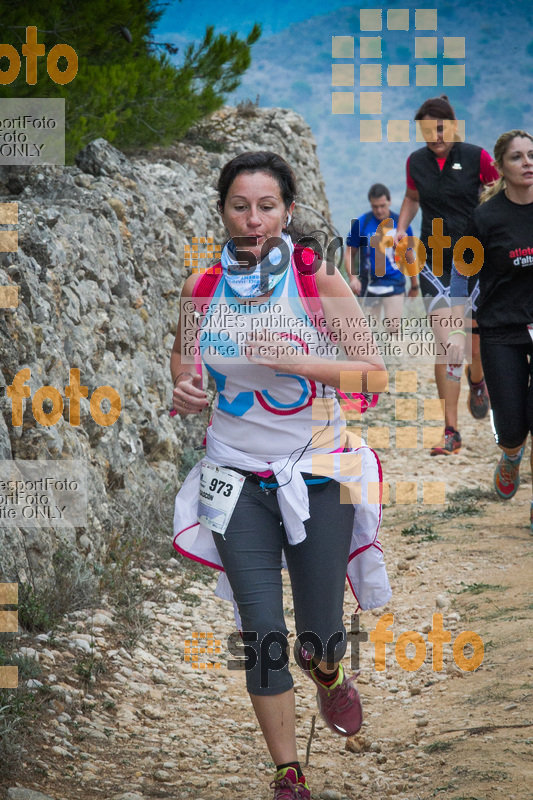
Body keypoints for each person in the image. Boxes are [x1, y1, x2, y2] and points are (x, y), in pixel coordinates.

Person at [170, 151, 391, 799]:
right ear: (223, 213)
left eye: (267, 206)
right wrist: (184, 389)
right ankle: (287, 770)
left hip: (321, 471)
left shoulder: (317, 281)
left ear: (288, 211)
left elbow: (373, 376)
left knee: (321, 629)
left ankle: (326, 671)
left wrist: (303, 361)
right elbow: (184, 364)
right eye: (240, 206)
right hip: (233, 477)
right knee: (260, 628)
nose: (254, 219)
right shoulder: (199, 290)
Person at [394, 94, 498, 455]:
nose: (435, 137)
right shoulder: (416, 163)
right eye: (427, 131)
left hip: (476, 258)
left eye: (440, 129)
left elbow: (499, 192)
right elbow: (411, 196)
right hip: (434, 262)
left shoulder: (477, 157)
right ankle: (450, 430)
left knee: (475, 339)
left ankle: (478, 379)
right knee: (447, 342)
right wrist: (401, 228)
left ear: (452, 126)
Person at [448, 130, 533, 531]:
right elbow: (464, 271)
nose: (528, 163)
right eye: (517, 157)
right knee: (513, 424)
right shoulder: (486, 217)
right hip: (500, 329)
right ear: (500, 167)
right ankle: (512, 455)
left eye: (532, 155)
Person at [345, 183, 418, 333]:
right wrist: (353, 278)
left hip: (394, 282)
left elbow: (409, 256)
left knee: (393, 329)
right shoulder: (362, 223)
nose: (379, 210)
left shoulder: (401, 225)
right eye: (375, 206)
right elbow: (349, 253)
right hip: (369, 284)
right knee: (369, 331)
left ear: (389, 201)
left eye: (382, 205)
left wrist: (415, 285)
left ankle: (391, 356)